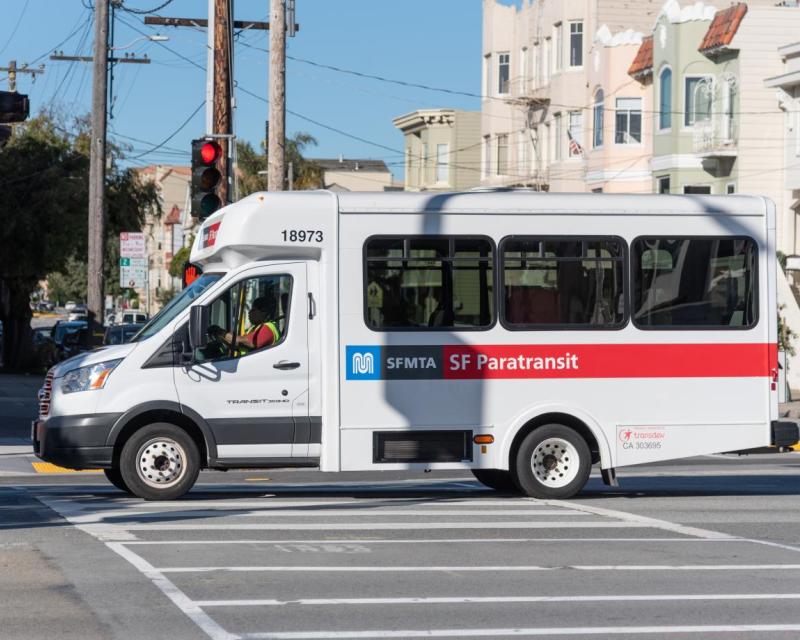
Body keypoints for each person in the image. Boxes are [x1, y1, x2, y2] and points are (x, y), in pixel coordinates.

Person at [210, 295, 281, 356]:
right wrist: (221, 338)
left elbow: (248, 342)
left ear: (263, 312)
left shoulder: (268, 328)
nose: (249, 312)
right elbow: (238, 344)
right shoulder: (253, 328)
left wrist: (221, 332)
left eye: (253, 310)